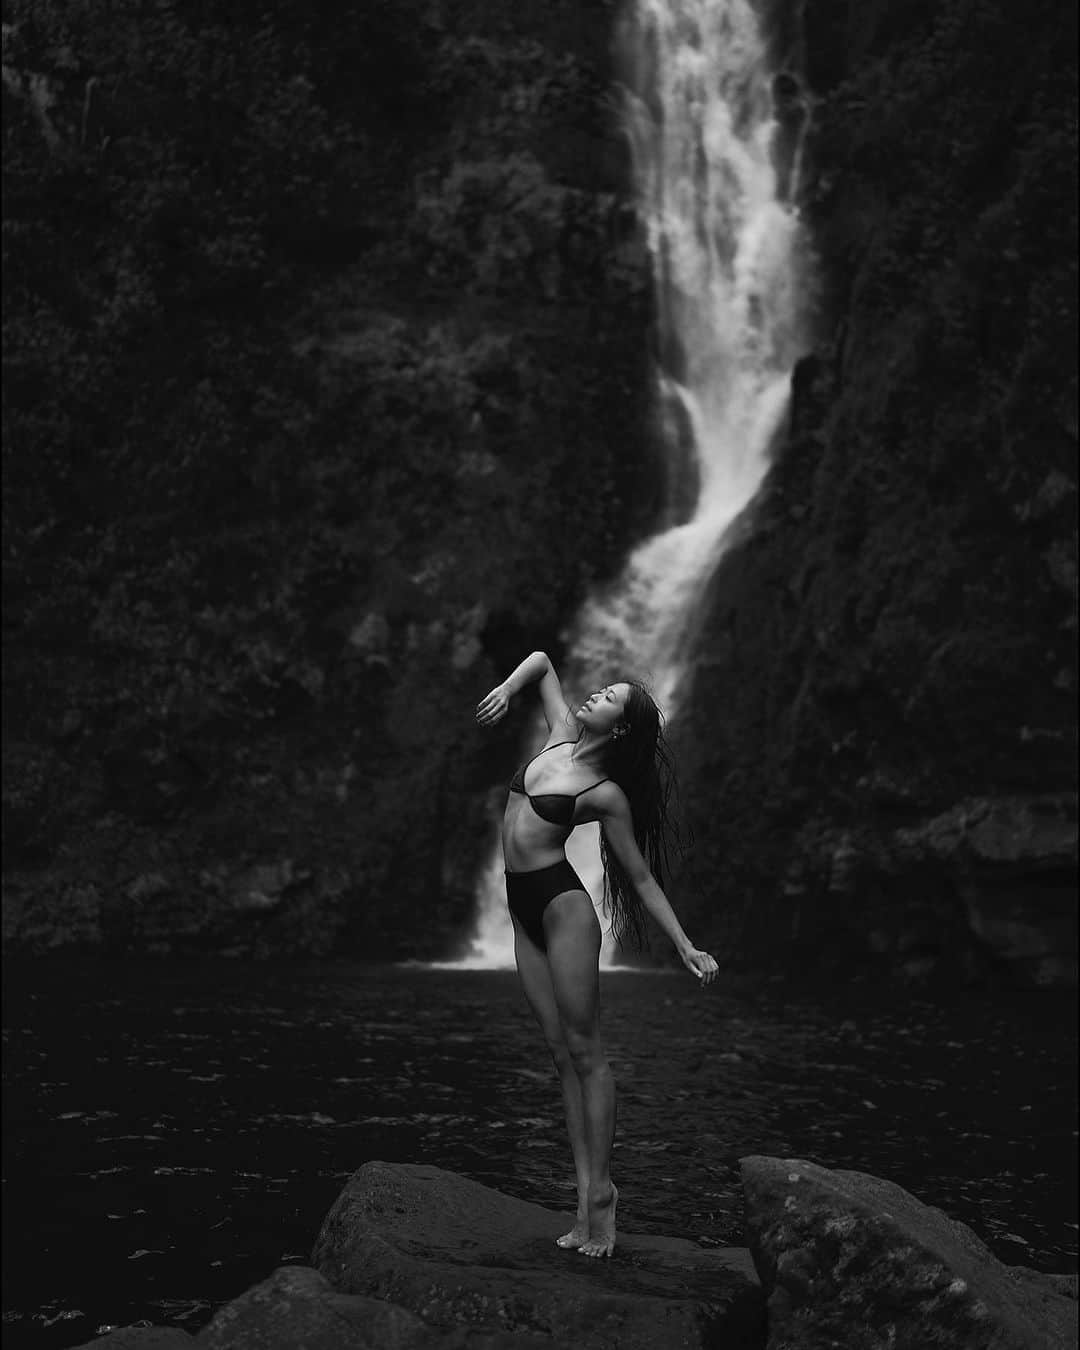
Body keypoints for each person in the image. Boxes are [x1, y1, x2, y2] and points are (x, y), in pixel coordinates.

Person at [475, 650, 719, 1259]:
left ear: (623, 728)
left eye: (608, 698)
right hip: (520, 912)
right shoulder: (558, 735)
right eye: (600, 689)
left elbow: (639, 879)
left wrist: (685, 944)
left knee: (588, 1053)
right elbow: (539, 662)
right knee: (560, 1055)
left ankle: (602, 1197)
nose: (593, 697)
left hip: (563, 912)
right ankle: (582, 1195)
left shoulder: (606, 794)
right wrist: (508, 687)